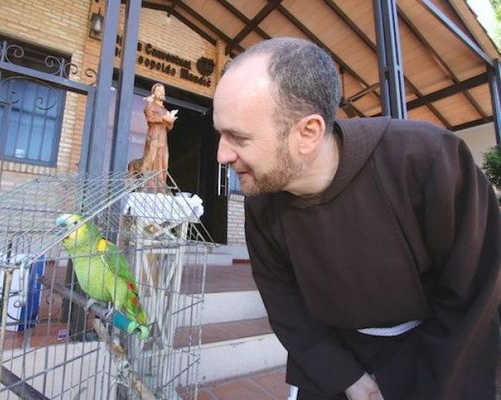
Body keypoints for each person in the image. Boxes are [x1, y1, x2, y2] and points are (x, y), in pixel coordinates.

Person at [213, 37, 501, 400]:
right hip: (330, 360)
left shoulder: (425, 158)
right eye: (220, 133)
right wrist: (347, 377)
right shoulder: (262, 203)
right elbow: (285, 305)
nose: (222, 154)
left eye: (238, 137)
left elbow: (473, 292)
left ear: (308, 133)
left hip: (436, 355)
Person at [136, 83, 178, 189]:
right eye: (159, 91)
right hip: (154, 134)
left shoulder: (165, 110)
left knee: (164, 160)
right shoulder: (151, 105)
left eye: (163, 91)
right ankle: (150, 186)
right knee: (153, 158)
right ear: (153, 93)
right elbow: (150, 118)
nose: (162, 93)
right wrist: (164, 119)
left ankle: (160, 186)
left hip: (163, 136)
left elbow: (169, 127)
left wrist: (171, 120)